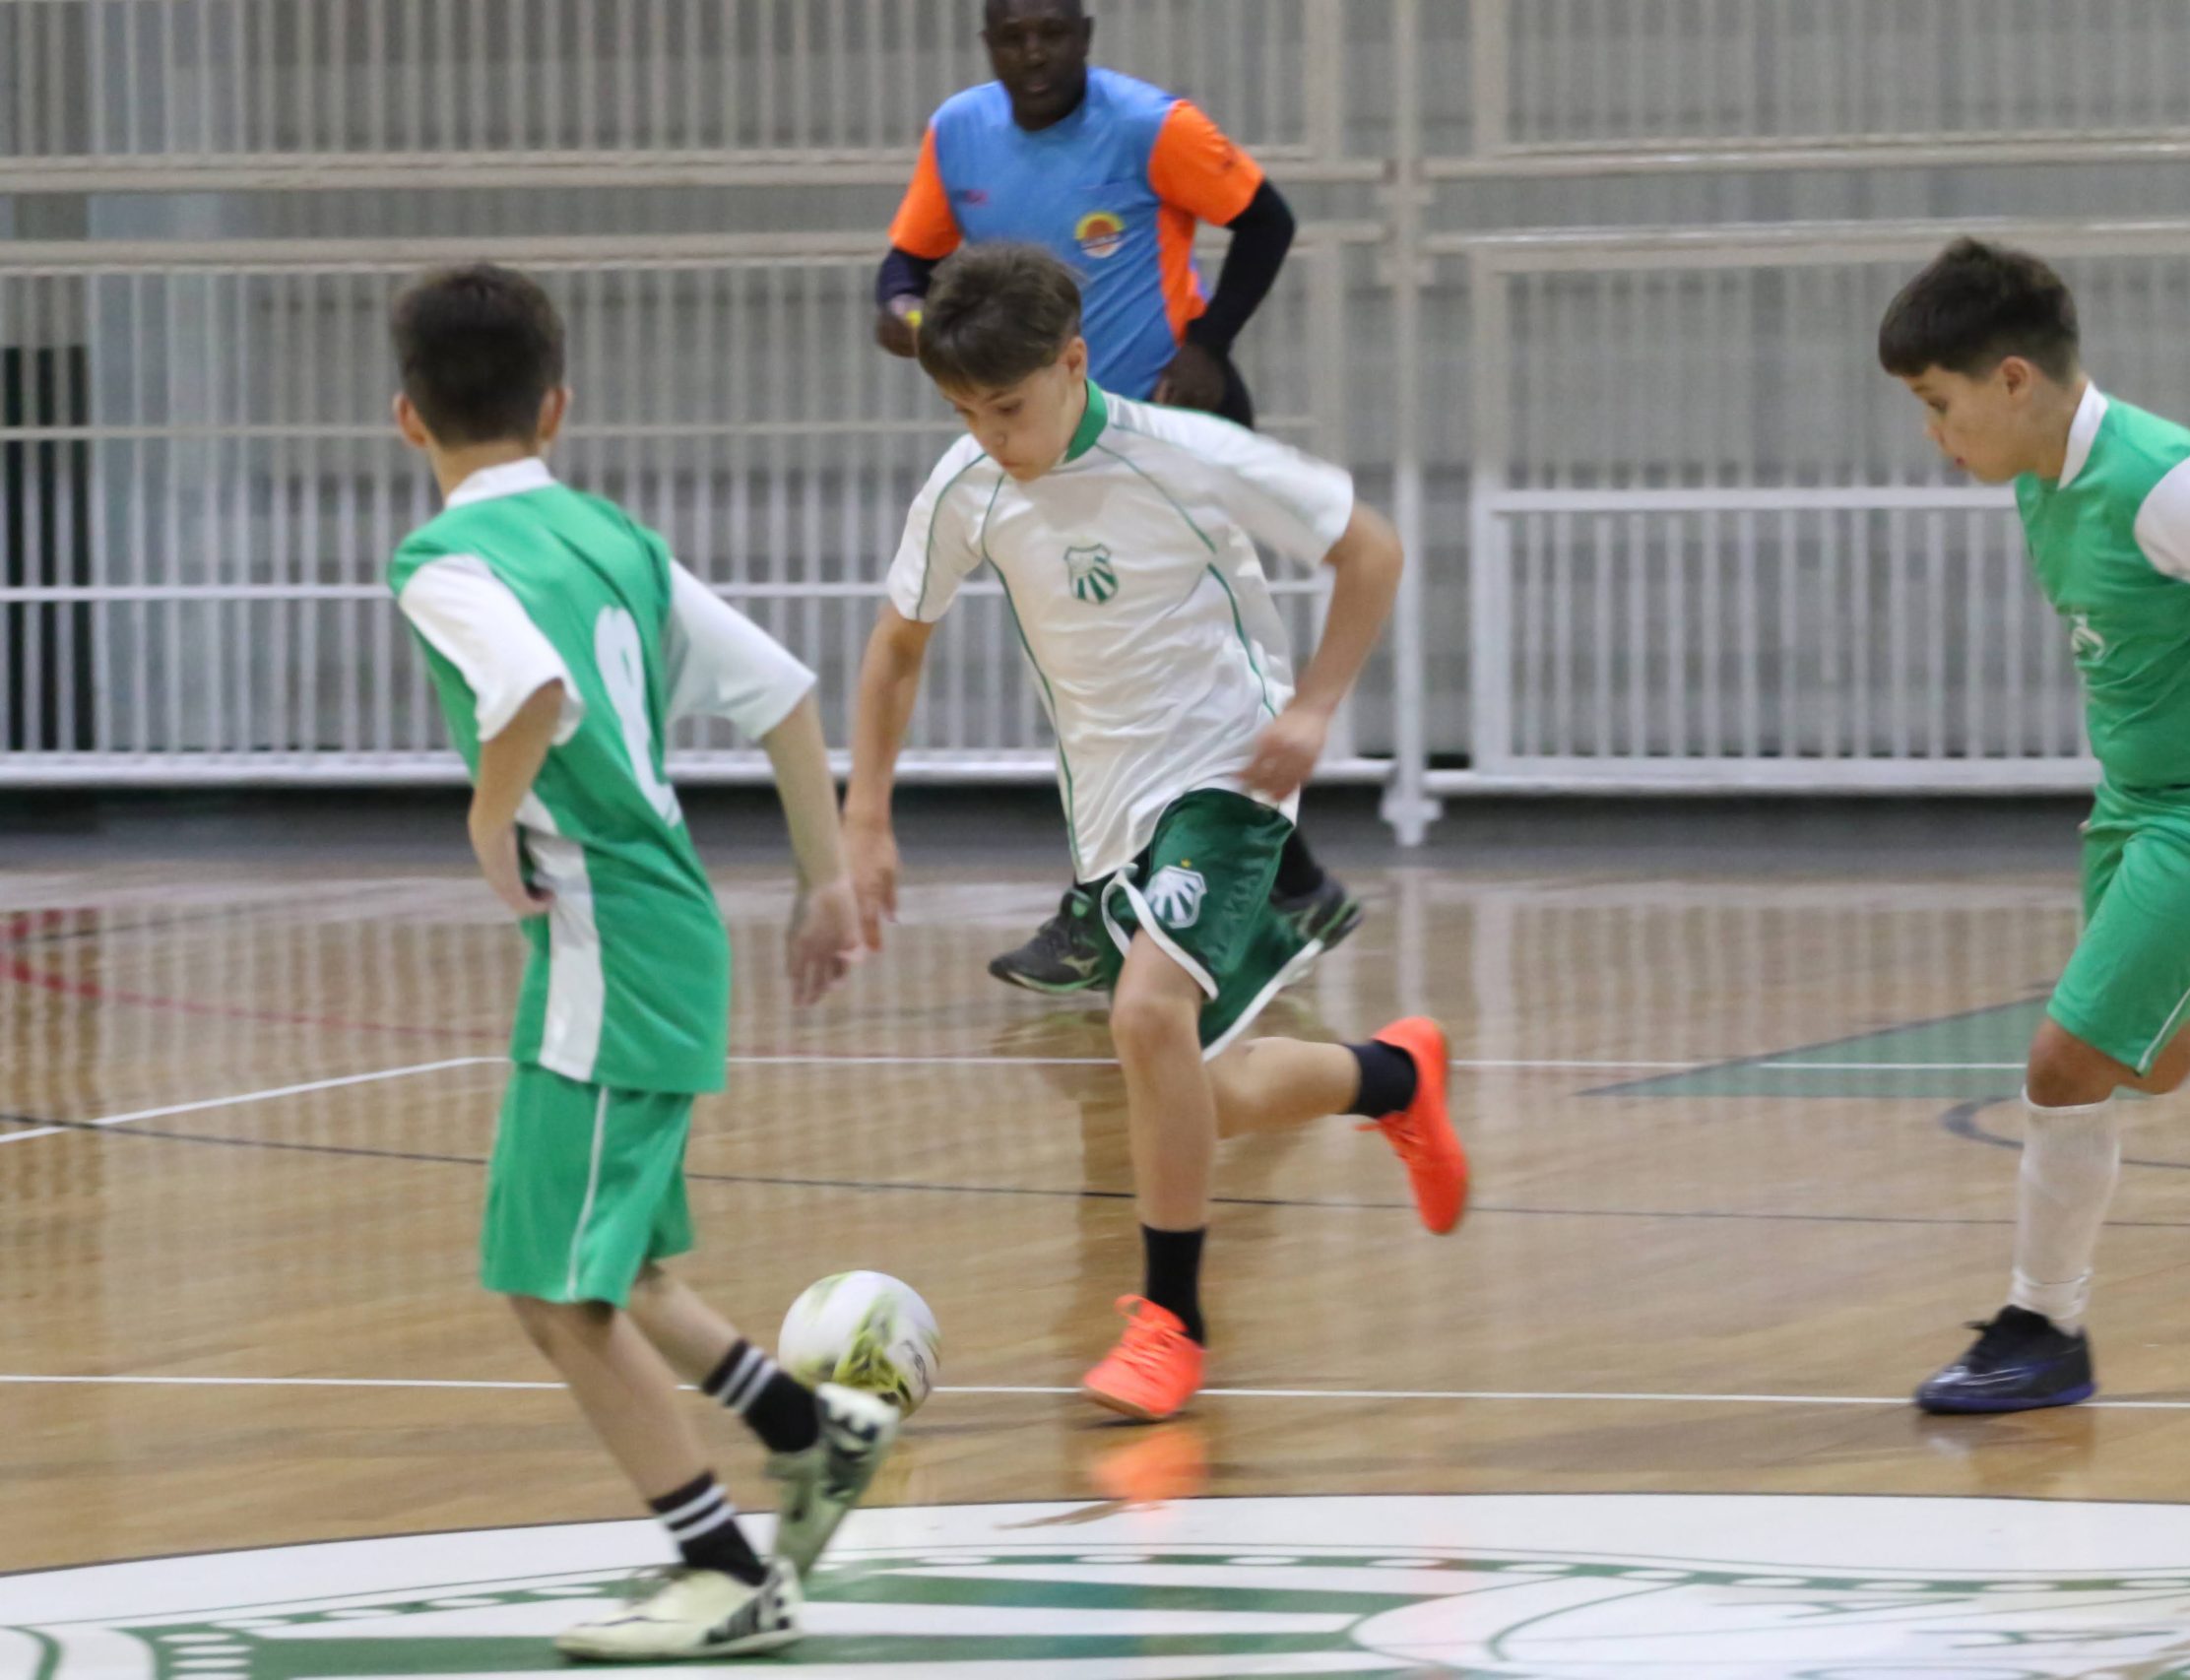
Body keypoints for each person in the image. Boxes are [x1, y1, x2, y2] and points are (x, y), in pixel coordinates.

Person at [844, 243, 1467, 1422]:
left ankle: (1170, 1319)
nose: (989, 432)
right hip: (1111, 813)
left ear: (1074, 363)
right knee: (1186, 1080)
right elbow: (896, 647)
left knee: (1143, 1016)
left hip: (1227, 779)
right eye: (962, 410)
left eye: (1010, 405)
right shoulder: (964, 487)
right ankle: (1391, 1076)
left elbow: (1368, 549)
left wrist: (1314, 708)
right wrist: (865, 814)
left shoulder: (1181, 452)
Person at [387, 264, 901, 1658]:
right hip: (654, 929)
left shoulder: (441, 561)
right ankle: (814, 1426)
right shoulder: (613, 533)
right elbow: (784, 687)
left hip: (606, 938)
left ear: (405, 419)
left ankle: (725, 1568)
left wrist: (489, 812)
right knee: (633, 1268)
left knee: (553, 1287)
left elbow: (529, 694)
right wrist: (822, 878)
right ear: (556, 407)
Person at [1877, 238, 2190, 1413]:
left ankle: (2046, 1324)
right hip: (2134, 801)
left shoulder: (2170, 478)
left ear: (2014, 379)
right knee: (2150, 1052)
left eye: (1941, 404)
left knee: (2065, 1059)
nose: (1935, 433)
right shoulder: (2037, 477)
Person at [874, 0, 1360, 995]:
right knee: (1098, 666)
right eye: (1012, 36)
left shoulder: (1152, 125)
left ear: (1085, 33)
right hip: (1042, 445)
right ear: (988, 44)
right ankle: (1275, 888)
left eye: (1052, 32)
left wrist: (1211, 341)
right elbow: (904, 264)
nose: (1034, 54)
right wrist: (905, 314)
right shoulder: (956, 131)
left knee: (1154, 670)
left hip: (1155, 424)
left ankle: (1126, 907)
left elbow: (1266, 220)